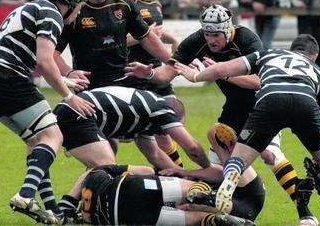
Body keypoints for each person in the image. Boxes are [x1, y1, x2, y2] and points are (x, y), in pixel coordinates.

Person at [126, 12, 320, 225]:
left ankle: (304, 211)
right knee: (217, 150)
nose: (211, 40)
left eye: (216, 35)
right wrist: (151, 74)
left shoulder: (247, 40)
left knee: (270, 155)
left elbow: (259, 81)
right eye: (207, 34)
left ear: (228, 30)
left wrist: (224, 74)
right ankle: (224, 207)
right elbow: (168, 73)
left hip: (262, 106)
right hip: (234, 108)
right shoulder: (197, 40)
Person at [174, 34, 320, 226]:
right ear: (314, 56)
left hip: (270, 100)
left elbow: (221, 69)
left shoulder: (268, 54)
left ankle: (228, 184)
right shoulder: (318, 71)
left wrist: (195, 76)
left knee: (238, 158)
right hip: (305, 101)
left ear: (291, 49)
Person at [0, 0, 95, 224]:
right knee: (53, 135)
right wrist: (69, 96)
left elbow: (27, 53)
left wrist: (67, 79)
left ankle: (52, 209)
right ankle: (26, 195)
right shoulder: (53, 14)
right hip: (9, 77)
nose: (78, 14)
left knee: (36, 140)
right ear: (71, 2)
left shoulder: (31, 7)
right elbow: (45, 61)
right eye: (80, 7)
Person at [54, 0, 170, 91]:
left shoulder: (124, 2)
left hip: (124, 81)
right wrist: (69, 72)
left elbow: (146, 37)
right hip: (89, 85)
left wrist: (175, 61)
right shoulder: (74, 10)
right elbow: (52, 54)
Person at [53, 86, 210, 169]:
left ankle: (71, 205)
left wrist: (181, 174)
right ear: (172, 117)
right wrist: (206, 169)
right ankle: (82, 209)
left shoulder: (146, 122)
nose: (168, 134)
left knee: (99, 169)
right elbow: (192, 148)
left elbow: (155, 154)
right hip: (76, 112)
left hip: (70, 110)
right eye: (175, 126)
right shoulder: (161, 108)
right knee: (107, 168)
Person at [126, 0, 186, 167]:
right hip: (137, 74)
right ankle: (175, 171)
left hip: (158, 71)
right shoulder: (126, 3)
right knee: (156, 131)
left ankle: (175, 170)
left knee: (173, 120)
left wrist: (174, 40)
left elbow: (157, 32)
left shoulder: (156, 4)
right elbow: (121, 39)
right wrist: (145, 34)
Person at [57, 164, 255, 226]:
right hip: (132, 187)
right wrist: (158, 173)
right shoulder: (97, 173)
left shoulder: (89, 217)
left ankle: (218, 220)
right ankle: (198, 193)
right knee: (191, 187)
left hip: (123, 218)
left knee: (196, 219)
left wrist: (66, 207)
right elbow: (142, 169)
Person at [160, 121, 266, 222]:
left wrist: (185, 173)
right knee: (200, 199)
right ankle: (233, 159)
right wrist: (185, 173)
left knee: (214, 131)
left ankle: (233, 158)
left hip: (244, 198)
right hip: (245, 201)